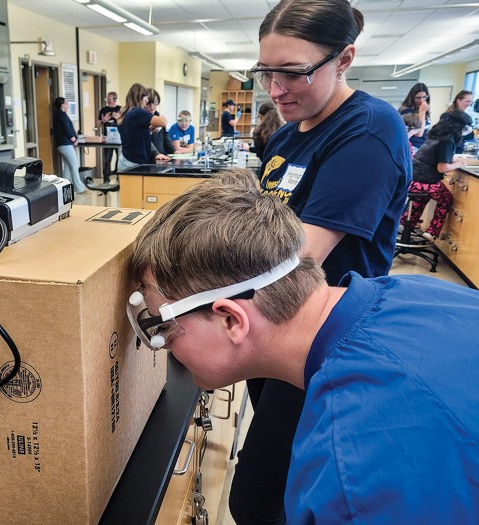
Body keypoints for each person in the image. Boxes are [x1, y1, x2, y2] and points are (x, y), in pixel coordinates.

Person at [126, 171, 479, 525]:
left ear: (232, 320)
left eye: (166, 328)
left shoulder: (346, 476)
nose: (166, 348)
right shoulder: (415, 291)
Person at [232, 1, 412, 523]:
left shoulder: (369, 131)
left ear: (344, 59)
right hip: (274, 326)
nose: (275, 89)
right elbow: (261, 224)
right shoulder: (290, 133)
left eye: (293, 72)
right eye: (266, 71)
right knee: (268, 467)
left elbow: (302, 255)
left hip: (325, 344)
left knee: (263, 497)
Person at [399, 110, 474, 242]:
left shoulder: (435, 135)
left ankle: (404, 223)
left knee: (421, 198)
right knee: (445, 198)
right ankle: (432, 231)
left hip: (412, 181)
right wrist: (459, 163)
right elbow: (442, 167)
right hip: (425, 183)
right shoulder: (448, 142)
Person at [117, 84, 171, 171]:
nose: (147, 102)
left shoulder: (127, 112)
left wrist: (148, 131)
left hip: (128, 160)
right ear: (140, 98)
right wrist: (161, 115)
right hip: (132, 163)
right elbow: (163, 122)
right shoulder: (138, 112)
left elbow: (134, 135)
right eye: (147, 99)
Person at [52, 97, 86, 193]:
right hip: (65, 144)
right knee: (74, 165)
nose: (67, 105)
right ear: (62, 105)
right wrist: (73, 138)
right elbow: (66, 128)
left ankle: (66, 188)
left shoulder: (60, 114)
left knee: (67, 167)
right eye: (66, 103)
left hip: (62, 144)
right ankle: (79, 188)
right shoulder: (61, 115)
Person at [399, 82, 431, 152]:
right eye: (418, 98)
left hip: (422, 146)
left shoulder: (424, 110)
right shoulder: (406, 111)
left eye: (424, 97)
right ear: (412, 98)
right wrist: (422, 112)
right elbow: (418, 133)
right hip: (412, 146)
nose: (422, 100)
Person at [97, 91, 121, 182]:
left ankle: (119, 179)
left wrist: (117, 118)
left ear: (114, 99)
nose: (107, 100)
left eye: (109, 99)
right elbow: (98, 124)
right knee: (107, 160)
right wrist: (104, 120)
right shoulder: (103, 110)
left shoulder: (120, 109)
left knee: (119, 159)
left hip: (119, 138)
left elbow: (125, 122)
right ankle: (106, 180)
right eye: (107, 98)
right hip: (107, 138)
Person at [145, 88, 175, 156]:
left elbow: (165, 136)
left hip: (161, 156)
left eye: (155, 103)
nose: (152, 106)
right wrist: (156, 154)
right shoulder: (142, 118)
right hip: (149, 156)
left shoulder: (159, 117)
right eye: (148, 103)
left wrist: (173, 151)